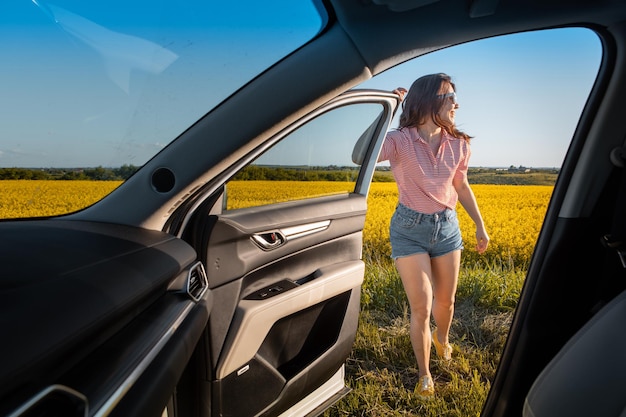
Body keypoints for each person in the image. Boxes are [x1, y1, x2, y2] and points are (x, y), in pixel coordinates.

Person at [377, 73, 489, 399]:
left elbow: (461, 185)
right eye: (449, 96)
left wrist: (479, 225)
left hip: (448, 228)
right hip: (408, 230)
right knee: (421, 308)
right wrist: (387, 109)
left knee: (446, 301)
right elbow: (360, 155)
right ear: (428, 100)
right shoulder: (399, 140)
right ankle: (425, 375)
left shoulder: (459, 143)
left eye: (455, 96)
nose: (456, 102)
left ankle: (442, 337)